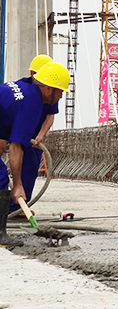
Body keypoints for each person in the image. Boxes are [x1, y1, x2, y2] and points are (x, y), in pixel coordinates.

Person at [0, 61, 70, 246]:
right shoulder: (32, 103)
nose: (61, 96)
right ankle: (0, 235)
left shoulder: (24, 86)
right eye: (60, 91)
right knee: (1, 178)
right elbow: (16, 147)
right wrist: (18, 185)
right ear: (48, 89)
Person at [7, 55, 59, 217]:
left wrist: (40, 135)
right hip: (16, 127)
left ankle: (17, 207)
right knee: (2, 174)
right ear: (32, 73)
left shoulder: (50, 90)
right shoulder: (26, 90)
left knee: (29, 166)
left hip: (33, 133)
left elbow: (50, 116)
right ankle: (8, 208)